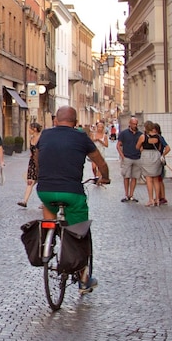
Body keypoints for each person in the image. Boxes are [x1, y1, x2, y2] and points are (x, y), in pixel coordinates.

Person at [36, 106, 109, 294]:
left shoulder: (44, 135)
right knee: (80, 230)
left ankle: (47, 242)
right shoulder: (81, 137)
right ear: (75, 122)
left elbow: (36, 158)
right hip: (72, 192)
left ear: (55, 120)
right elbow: (99, 161)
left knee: (48, 210)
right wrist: (105, 176)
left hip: (45, 191)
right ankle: (84, 278)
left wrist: (41, 176)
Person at [137, 120, 170, 206]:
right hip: (156, 156)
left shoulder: (143, 137)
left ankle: (151, 199)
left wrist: (142, 148)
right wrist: (162, 155)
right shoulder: (158, 137)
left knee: (149, 179)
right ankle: (157, 199)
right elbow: (165, 148)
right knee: (156, 179)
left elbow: (137, 146)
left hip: (146, 157)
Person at [117, 117, 143, 202]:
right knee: (126, 177)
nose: (135, 125)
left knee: (134, 177)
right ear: (130, 123)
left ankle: (131, 195)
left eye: (136, 124)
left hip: (137, 157)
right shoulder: (124, 133)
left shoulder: (140, 134)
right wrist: (122, 156)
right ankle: (126, 194)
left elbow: (142, 146)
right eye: (133, 124)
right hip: (127, 157)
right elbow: (118, 145)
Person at [17, 122, 43, 208]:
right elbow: (32, 151)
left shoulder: (42, 138)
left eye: (29, 128)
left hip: (41, 163)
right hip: (32, 163)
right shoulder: (31, 139)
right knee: (30, 182)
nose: (28, 130)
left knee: (43, 183)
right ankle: (25, 201)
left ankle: (44, 203)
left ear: (34, 129)